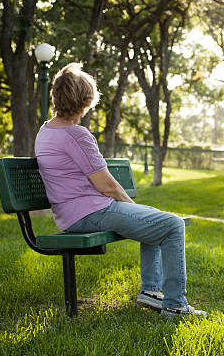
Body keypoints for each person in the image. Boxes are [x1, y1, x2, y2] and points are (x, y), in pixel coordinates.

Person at [34, 62, 206, 318]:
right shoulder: (76, 135)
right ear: (85, 100)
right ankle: (175, 305)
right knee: (172, 225)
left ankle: (151, 292)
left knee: (156, 220)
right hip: (90, 213)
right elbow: (107, 185)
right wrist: (131, 207)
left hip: (72, 214)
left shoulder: (45, 131)